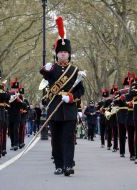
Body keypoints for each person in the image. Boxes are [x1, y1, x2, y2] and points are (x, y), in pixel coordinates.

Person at [40, 16, 85, 176]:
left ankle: (68, 165)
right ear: (57, 54)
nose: (63, 55)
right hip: (55, 108)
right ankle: (58, 165)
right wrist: (45, 68)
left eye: (66, 52)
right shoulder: (52, 69)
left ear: (69, 54)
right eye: (61, 52)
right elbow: (44, 75)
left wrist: (71, 98)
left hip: (69, 108)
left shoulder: (75, 70)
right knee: (56, 140)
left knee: (68, 139)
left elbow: (81, 90)